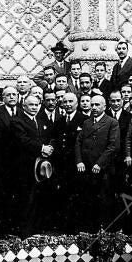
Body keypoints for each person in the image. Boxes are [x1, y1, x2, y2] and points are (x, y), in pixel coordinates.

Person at [75, 94, 119, 232]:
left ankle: (104, 230)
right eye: (92, 105)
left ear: (105, 106)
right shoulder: (87, 122)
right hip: (86, 169)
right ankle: (90, 230)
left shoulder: (112, 122)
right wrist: (79, 161)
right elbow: (78, 142)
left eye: (97, 105)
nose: (94, 107)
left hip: (102, 170)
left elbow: (113, 146)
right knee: (88, 200)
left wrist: (99, 164)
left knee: (104, 201)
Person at [11, 94, 54, 237]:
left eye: (36, 105)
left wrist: (50, 147)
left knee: (39, 197)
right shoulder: (17, 121)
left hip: (41, 166)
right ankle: (26, 231)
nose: (34, 107)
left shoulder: (41, 120)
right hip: (24, 167)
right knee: (26, 199)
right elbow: (23, 140)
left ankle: (38, 228)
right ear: (24, 106)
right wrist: (42, 148)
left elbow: (50, 136)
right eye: (31, 105)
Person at [0, 86, 21, 233]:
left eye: (14, 94)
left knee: (18, 194)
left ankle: (16, 225)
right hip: (3, 160)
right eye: (9, 95)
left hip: (20, 161)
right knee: (3, 194)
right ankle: (3, 228)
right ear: (3, 97)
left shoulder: (22, 112)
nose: (12, 97)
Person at [57, 92, 83, 231]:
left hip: (77, 164)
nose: (67, 104)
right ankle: (65, 227)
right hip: (62, 165)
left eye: (70, 101)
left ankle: (76, 227)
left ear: (77, 103)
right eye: (65, 102)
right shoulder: (59, 121)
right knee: (64, 195)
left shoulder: (84, 119)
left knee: (77, 195)